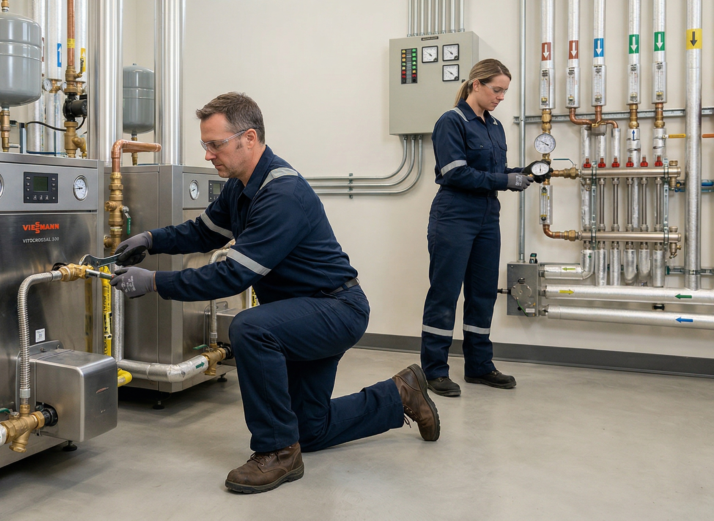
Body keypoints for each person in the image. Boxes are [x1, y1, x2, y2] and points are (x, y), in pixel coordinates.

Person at [109, 92, 440, 495]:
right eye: (205, 145)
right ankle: (400, 394)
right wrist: (151, 240)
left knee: (250, 328)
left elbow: (232, 275)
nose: (209, 155)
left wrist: (154, 282)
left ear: (248, 138)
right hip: (301, 313)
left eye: (215, 144)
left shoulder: (281, 194)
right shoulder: (240, 187)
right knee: (309, 430)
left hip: (335, 308)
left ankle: (278, 452)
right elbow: (202, 233)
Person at [419, 59, 532, 398]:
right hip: (454, 215)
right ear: (476, 85)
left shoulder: (494, 126)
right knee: (445, 293)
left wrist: (522, 173)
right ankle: (435, 371)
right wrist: (504, 181)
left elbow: (493, 172)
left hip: (487, 217)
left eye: (505, 91)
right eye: (496, 90)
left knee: (483, 293)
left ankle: (479, 366)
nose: (501, 97)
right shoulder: (451, 121)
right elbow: (455, 172)